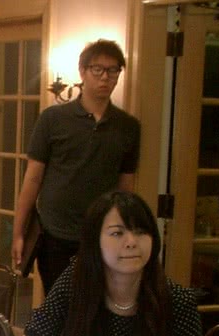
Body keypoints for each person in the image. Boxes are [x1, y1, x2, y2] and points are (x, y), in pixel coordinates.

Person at [20, 191, 205, 336]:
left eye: (141, 232)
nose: (131, 242)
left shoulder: (178, 302)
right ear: (95, 241)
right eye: (117, 233)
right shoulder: (77, 281)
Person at [12, 39, 141, 294]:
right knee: (58, 305)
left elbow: (126, 187)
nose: (105, 77)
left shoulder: (128, 126)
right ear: (82, 72)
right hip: (54, 233)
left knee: (98, 305)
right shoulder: (53, 119)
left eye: (113, 70)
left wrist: (126, 233)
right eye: (97, 69)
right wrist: (18, 233)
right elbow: (33, 179)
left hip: (102, 235)